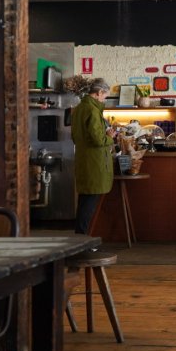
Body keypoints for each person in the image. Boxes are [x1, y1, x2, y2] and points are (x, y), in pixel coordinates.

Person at [71, 78, 119, 235]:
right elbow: (99, 140)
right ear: (99, 93)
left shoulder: (79, 109)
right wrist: (110, 136)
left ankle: (81, 240)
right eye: (105, 96)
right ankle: (82, 241)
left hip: (84, 160)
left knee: (85, 202)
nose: (104, 99)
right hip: (94, 163)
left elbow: (76, 136)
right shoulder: (92, 111)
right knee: (88, 205)